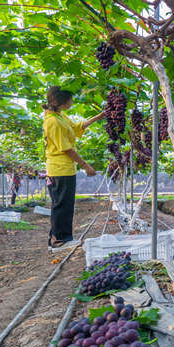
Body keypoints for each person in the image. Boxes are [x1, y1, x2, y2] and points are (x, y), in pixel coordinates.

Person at [42, 86, 105, 252]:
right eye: (70, 99)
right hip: (59, 169)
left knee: (65, 204)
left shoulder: (60, 116)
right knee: (61, 205)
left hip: (66, 168)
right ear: (61, 102)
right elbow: (66, 148)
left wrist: (99, 117)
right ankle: (57, 241)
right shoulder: (53, 122)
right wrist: (85, 165)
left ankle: (62, 238)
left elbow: (77, 128)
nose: (72, 101)